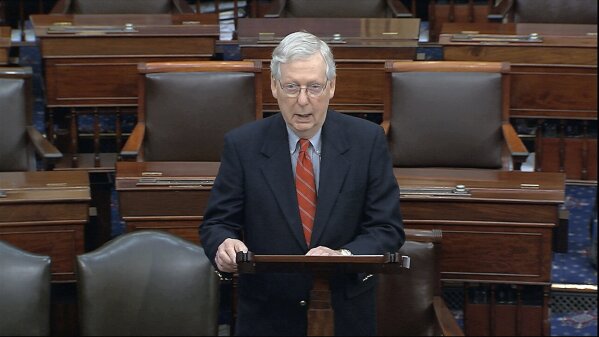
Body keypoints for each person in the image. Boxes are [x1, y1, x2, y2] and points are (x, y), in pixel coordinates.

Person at [200, 31, 405, 336]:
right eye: (292, 86)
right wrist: (223, 245)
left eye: (314, 87)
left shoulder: (367, 141)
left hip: (344, 313)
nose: (303, 101)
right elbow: (216, 224)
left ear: (332, 87)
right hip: (268, 315)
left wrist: (344, 256)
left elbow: (387, 229)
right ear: (274, 86)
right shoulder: (243, 145)